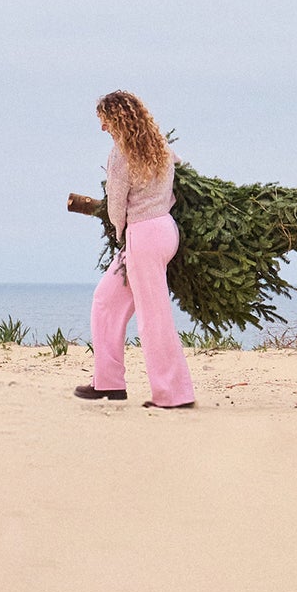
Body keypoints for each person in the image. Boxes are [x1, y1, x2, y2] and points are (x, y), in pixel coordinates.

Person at [74, 90, 195, 410]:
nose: (103, 128)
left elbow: (116, 204)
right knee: (105, 301)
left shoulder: (120, 153)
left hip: (142, 236)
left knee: (153, 317)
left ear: (118, 119)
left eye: (104, 121)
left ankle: (173, 394)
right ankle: (108, 382)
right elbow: (186, 169)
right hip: (164, 229)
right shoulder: (159, 146)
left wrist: (118, 233)